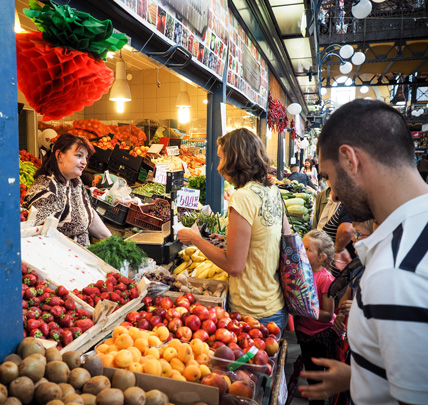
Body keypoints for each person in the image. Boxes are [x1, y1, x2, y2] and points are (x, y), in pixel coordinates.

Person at [298, 99, 428, 404]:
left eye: (329, 176)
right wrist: (362, 376)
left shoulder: (396, 272)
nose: (334, 190)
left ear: (350, 160)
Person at [178, 128, 290, 331]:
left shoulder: (243, 197)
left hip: (252, 311)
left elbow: (234, 266)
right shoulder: (271, 190)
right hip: (274, 304)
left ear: (234, 159)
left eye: (221, 158)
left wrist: (195, 239)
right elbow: (272, 237)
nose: (219, 166)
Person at [23, 133, 112, 247]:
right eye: (79, 155)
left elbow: (89, 214)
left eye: (86, 157)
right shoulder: (46, 190)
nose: (84, 162)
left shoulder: (75, 182)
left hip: (82, 258)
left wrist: (112, 241)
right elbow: (41, 240)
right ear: (59, 155)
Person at [296, 230, 339, 405]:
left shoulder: (326, 279)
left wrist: (303, 310)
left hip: (320, 337)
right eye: (301, 246)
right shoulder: (299, 272)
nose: (301, 251)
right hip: (304, 333)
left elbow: (328, 314)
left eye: (307, 249)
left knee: (318, 378)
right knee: (310, 373)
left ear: (321, 257)